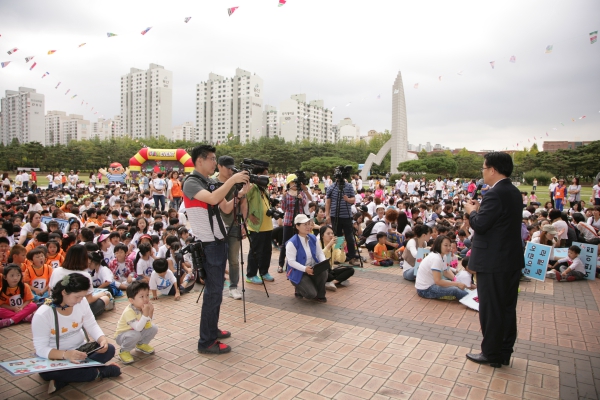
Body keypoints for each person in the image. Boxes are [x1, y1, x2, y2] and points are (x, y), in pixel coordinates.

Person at [182, 144, 249, 355]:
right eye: (212, 159)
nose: (215, 162)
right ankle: (206, 341)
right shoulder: (191, 182)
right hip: (209, 245)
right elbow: (212, 199)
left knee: (217, 292)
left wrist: (240, 194)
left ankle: (212, 330)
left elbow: (226, 208)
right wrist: (231, 181)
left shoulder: (209, 183)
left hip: (219, 241)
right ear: (199, 160)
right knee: (212, 293)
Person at [464, 152, 524, 368]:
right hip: (510, 260)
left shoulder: (495, 194)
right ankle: (504, 351)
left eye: (483, 168)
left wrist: (472, 212)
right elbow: (498, 222)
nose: (482, 172)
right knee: (507, 307)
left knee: (491, 309)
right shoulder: (514, 191)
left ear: (492, 169)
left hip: (493, 261)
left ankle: (490, 353)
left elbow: (480, 225)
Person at [32, 273, 120, 394]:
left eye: (82, 296)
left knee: (109, 349)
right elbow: (41, 349)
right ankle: (101, 372)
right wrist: (66, 354)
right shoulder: (43, 314)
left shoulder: (81, 302)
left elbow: (91, 324)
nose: (80, 300)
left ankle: (64, 379)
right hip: (56, 358)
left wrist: (101, 339)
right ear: (64, 292)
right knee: (50, 372)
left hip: (82, 352)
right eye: (77, 297)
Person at [286, 214, 328, 302]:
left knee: (324, 271)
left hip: (312, 269)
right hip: (298, 272)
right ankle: (299, 290)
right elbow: (291, 262)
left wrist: (323, 263)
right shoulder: (292, 242)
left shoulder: (313, 238)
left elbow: (319, 253)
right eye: (305, 224)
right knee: (310, 294)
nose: (308, 226)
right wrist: (305, 269)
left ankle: (320, 295)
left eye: (309, 224)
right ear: (297, 226)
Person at [415, 236, 472, 300]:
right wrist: (457, 284)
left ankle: (471, 296)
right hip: (425, 290)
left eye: (449, 245)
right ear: (439, 245)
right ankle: (471, 300)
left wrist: (456, 280)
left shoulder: (443, 256)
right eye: (445, 245)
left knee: (454, 285)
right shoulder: (436, 258)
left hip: (431, 285)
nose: (448, 248)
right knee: (454, 290)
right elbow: (438, 281)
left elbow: (445, 272)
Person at [244, 162, 273, 285]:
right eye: (265, 174)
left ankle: (264, 272)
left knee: (267, 251)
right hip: (256, 226)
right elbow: (243, 201)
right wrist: (249, 215)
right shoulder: (252, 187)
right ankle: (251, 274)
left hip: (268, 225)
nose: (267, 177)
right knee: (255, 251)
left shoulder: (263, 188)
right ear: (258, 175)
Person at [115, 281, 158, 364]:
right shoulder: (129, 311)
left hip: (135, 332)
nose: (146, 299)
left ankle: (141, 345)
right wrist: (145, 315)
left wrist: (150, 313)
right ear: (131, 300)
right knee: (136, 334)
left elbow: (147, 325)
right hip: (122, 336)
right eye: (141, 296)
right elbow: (138, 328)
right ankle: (124, 351)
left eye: (147, 295)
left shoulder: (142, 307)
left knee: (153, 328)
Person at [278, 174, 309, 273]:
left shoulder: (301, 192)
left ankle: (290, 265)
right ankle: (280, 264)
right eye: (293, 182)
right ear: (289, 183)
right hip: (288, 221)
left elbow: (304, 204)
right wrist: (283, 197)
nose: (295, 184)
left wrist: (301, 198)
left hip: (299, 222)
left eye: (296, 182)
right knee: (285, 243)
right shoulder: (286, 194)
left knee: (297, 243)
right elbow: (283, 208)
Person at [318, 225, 354, 291]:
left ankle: (332, 282)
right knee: (329, 275)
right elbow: (318, 257)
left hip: (330, 270)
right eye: (328, 234)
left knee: (350, 270)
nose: (331, 235)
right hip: (321, 271)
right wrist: (329, 245)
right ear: (322, 235)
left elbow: (341, 260)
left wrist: (342, 248)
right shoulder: (318, 244)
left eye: (332, 233)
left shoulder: (334, 245)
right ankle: (339, 280)